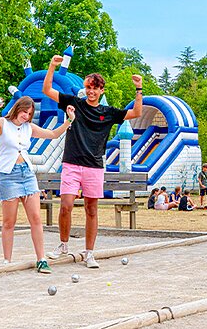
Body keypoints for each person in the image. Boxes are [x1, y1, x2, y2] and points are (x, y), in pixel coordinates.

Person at [42, 57, 144, 268]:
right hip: (71, 163)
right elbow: (47, 90)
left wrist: (139, 89)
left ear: (101, 91)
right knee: (66, 205)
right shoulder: (74, 104)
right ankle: (63, 245)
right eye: (88, 87)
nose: (91, 91)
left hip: (94, 166)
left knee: (91, 209)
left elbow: (136, 113)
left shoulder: (108, 113)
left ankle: (89, 253)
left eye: (95, 88)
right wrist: (52, 66)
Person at [0, 95, 74, 273]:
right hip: (8, 175)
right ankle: (7, 260)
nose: (26, 116)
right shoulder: (2, 123)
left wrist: (69, 120)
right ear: (17, 108)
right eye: (24, 112)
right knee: (9, 222)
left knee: (35, 218)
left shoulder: (29, 127)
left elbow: (53, 134)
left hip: (27, 173)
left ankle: (41, 259)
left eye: (29, 114)